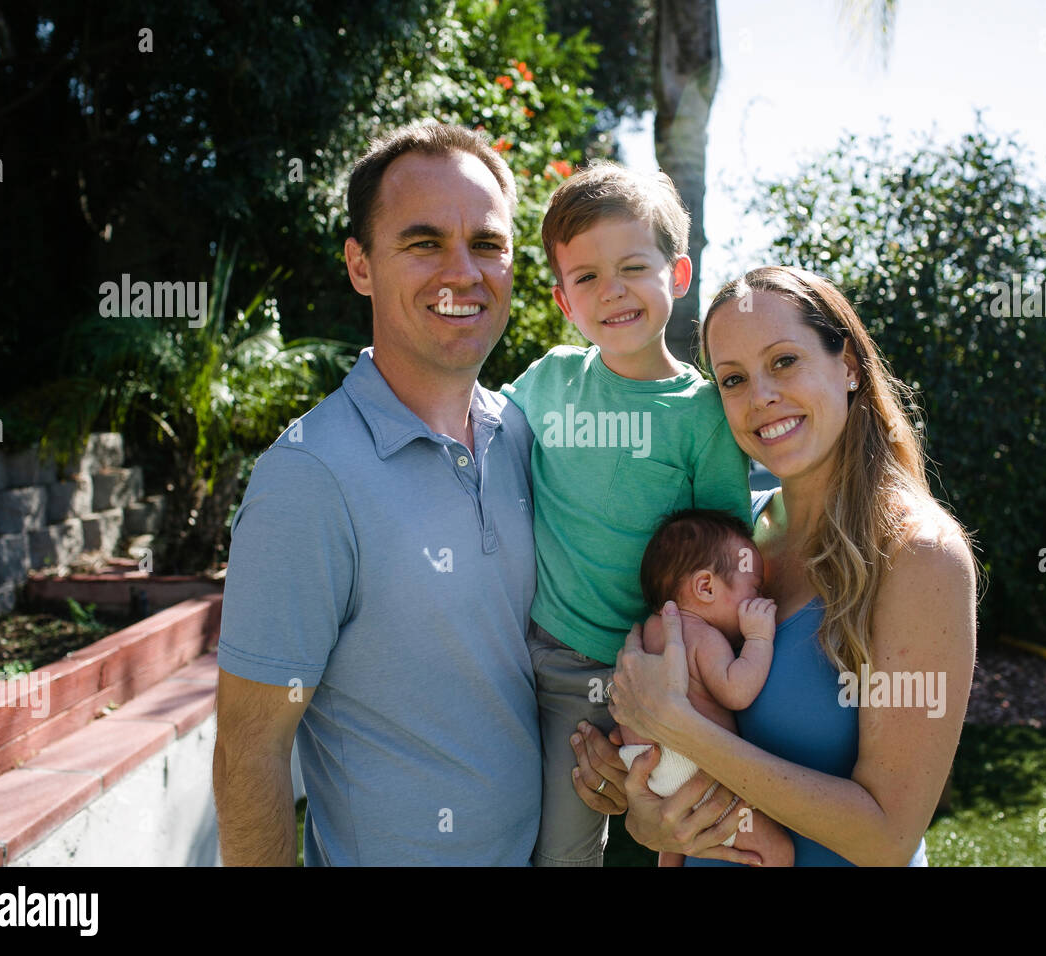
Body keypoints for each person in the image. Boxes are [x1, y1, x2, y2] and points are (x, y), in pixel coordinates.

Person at [212, 122, 543, 865]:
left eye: (487, 244)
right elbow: (249, 751)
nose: (464, 272)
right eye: (424, 243)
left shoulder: (524, 436)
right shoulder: (308, 476)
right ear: (360, 266)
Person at [571, 266, 978, 866]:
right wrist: (649, 804)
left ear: (848, 367)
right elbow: (665, 772)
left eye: (784, 361)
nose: (760, 396)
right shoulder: (730, 535)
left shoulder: (917, 556)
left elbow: (887, 837)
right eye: (733, 379)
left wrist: (684, 731)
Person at [499, 160, 752, 866]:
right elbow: (475, 453)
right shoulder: (547, 382)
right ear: (563, 301)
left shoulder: (703, 415)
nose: (611, 291)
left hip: (666, 675)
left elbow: (726, 560)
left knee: (693, 836)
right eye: (586, 278)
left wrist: (700, 679)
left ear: (677, 275)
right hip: (555, 663)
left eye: (633, 267)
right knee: (561, 847)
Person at [620, 508, 793, 867]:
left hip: (646, 764)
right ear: (705, 587)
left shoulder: (652, 629)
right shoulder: (702, 637)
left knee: (675, 830)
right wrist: (760, 637)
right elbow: (737, 690)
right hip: (687, 765)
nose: (760, 598)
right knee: (778, 852)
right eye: (755, 589)